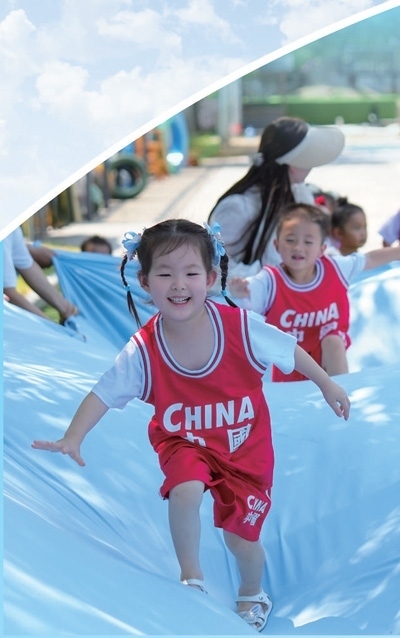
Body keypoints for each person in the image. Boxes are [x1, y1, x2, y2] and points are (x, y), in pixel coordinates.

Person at [32, 219, 350, 631]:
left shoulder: (239, 327)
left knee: (242, 541)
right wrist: (73, 437)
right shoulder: (144, 348)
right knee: (185, 488)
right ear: (145, 282)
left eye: (191, 273)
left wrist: (327, 384)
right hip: (184, 441)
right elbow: (104, 392)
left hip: (244, 447)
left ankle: (252, 592)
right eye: (165, 274)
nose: (178, 284)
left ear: (211, 278)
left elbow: (288, 350)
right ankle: (191, 579)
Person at [228, 203, 400, 382]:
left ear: (322, 249)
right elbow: (239, 309)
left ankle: (342, 392)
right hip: (290, 362)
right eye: (290, 240)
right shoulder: (268, 281)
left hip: (327, 356)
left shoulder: (335, 268)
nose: (298, 247)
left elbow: (369, 259)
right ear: (276, 245)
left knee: (333, 341)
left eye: (308, 242)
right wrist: (238, 293)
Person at [208, 116, 345, 276]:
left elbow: (315, 243)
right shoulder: (238, 206)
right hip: (249, 290)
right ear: (293, 164)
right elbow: (216, 265)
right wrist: (269, 281)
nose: (311, 167)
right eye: (308, 158)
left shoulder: (299, 194)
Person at [3, 226, 78, 323]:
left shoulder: (11, 227)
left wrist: (66, 308)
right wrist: (51, 326)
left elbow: (27, 266)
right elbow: (7, 291)